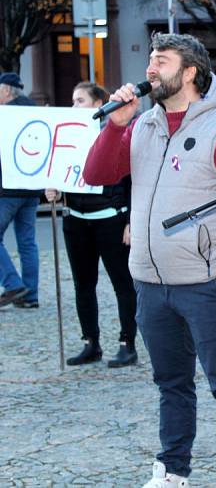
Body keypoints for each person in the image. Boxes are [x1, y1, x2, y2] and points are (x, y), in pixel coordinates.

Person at [83, 33, 216, 488]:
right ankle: (172, 470)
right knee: (171, 383)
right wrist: (115, 125)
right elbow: (97, 174)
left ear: (189, 73)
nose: (149, 69)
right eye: (149, 59)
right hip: (150, 282)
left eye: (160, 61)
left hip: (209, 283)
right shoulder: (143, 125)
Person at [45, 82, 138, 368]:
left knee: (122, 283)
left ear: (99, 104)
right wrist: (53, 191)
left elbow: (133, 181)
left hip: (111, 219)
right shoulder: (68, 136)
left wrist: (130, 221)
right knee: (83, 284)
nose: (74, 106)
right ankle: (91, 342)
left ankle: (127, 343)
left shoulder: (116, 135)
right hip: (76, 221)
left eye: (80, 100)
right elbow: (60, 172)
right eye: (73, 101)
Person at [0, 72, 41, 309]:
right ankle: (30, 295)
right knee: (27, 242)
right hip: (32, 186)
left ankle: (14, 284)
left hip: (8, 188)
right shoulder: (33, 110)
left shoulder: (7, 114)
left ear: (6, 91)